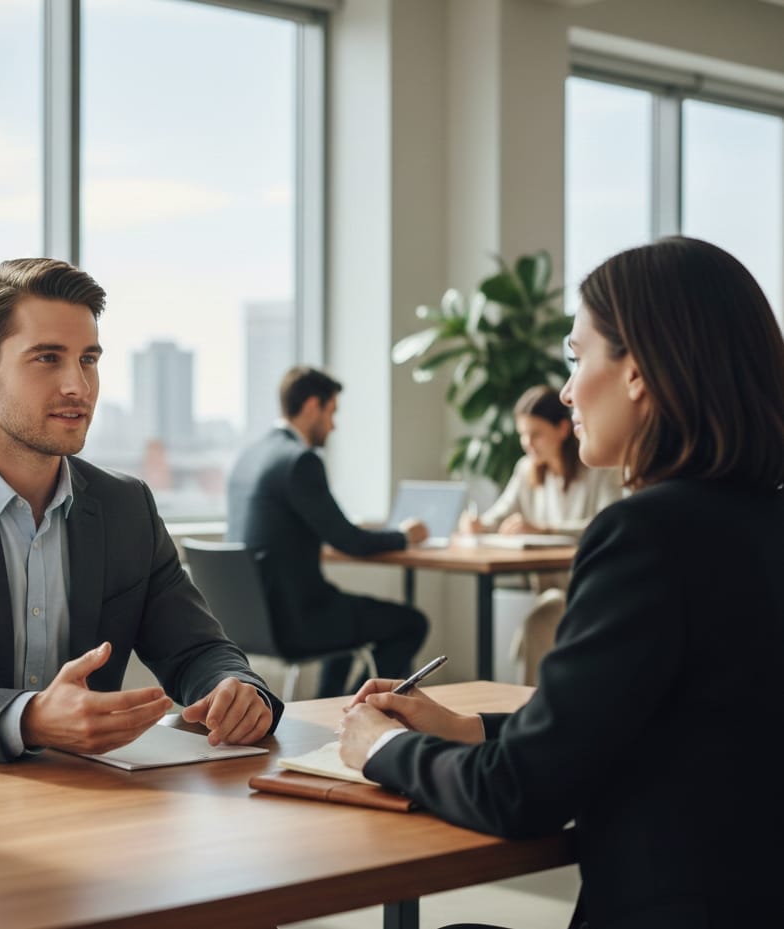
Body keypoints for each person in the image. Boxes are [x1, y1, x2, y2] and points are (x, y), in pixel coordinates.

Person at [339, 237, 784, 929]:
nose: (568, 391)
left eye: (578, 358)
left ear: (636, 368)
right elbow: (675, 724)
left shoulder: (648, 535)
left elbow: (520, 794)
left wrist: (382, 748)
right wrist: (467, 727)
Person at [0, 258, 282, 762]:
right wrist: (28, 717)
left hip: (89, 801)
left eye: (88, 359)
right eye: (48, 358)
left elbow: (196, 649)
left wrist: (236, 688)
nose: (78, 386)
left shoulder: (125, 506)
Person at [227, 366, 430, 698]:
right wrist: (404, 536)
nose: (333, 425)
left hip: (250, 619)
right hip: (295, 621)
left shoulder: (250, 457)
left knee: (344, 626)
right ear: (311, 407)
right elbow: (349, 541)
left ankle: (334, 706)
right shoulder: (300, 461)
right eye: (331, 412)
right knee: (411, 623)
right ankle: (362, 707)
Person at [459, 385, 623, 684]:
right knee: (543, 615)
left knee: (542, 618)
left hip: (588, 588)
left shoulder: (598, 470)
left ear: (562, 429)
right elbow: (501, 514)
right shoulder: (527, 471)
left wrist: (545, 529)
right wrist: (478, 524)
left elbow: (609, 521)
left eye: (535, 434)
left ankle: (529, 712)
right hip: (552, 587)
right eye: (523, 434)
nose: (527, 443)